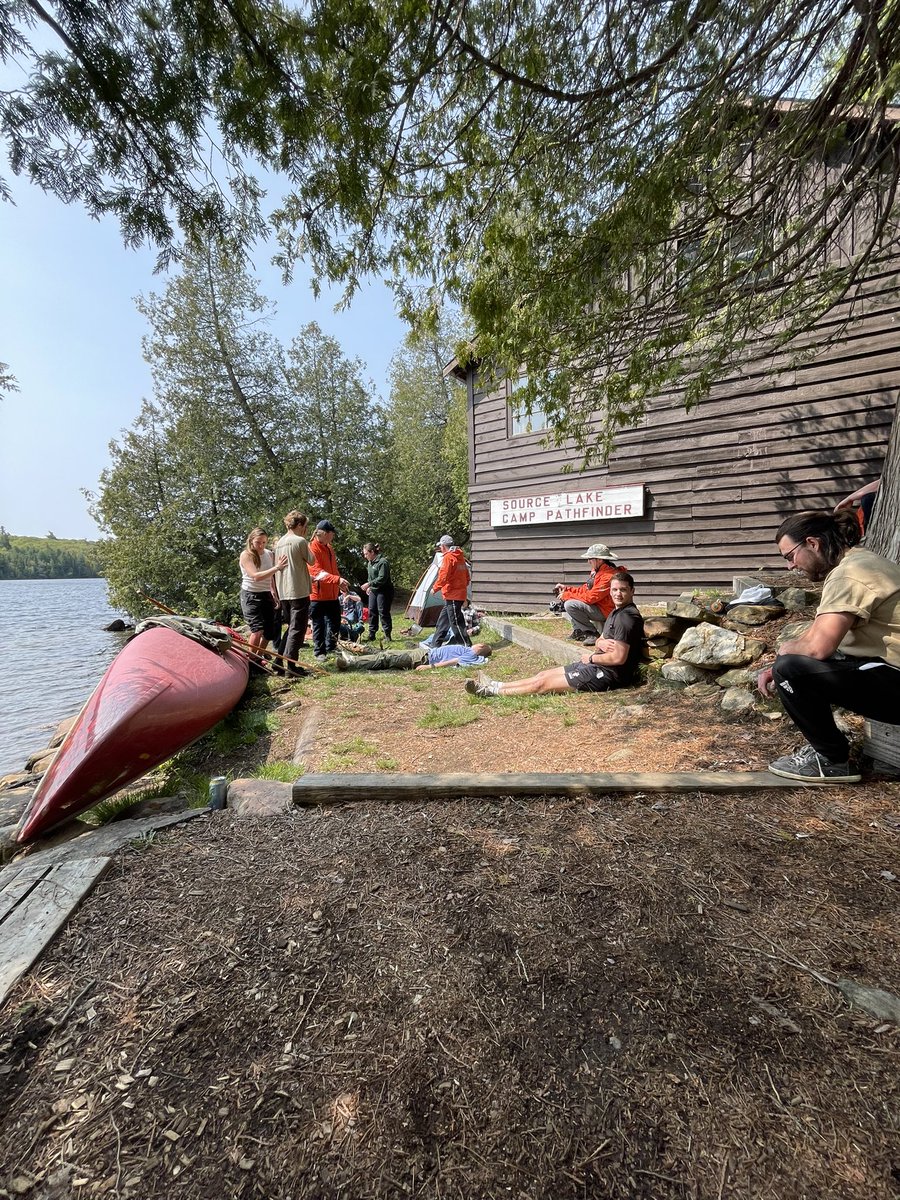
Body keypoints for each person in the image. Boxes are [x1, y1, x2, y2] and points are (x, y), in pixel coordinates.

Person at [757, 508, 900, 783]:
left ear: (813, 543)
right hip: (889, 670)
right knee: (791, 666)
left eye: (790, 556)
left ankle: (831, 760)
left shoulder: (849, 574)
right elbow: (817, 639)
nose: (791, 566)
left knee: (790, 669)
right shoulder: (862, 563)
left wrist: (780, 660)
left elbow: (816, 649)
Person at [466, 572, 644, 697]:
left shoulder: (627, 617)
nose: (618, 594)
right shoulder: (615, 612)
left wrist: (591, 659)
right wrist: (600, 644)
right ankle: (497, 684)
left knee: (541, 685)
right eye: (614, 590)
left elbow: (618, 658)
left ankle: (490, 692)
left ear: (632, 591)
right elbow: (600, 640)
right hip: (597, 665)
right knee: (542, 675)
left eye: (623, 590)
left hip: (608, 675)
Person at [555, 542, 624, 643]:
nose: (588, 561)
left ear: (599, 560)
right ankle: (579, 631)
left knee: (570, 604)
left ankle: (591, 633)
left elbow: (591, 598)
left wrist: (566, 595)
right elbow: (586, 589)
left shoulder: (608, 576)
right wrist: (567, 589)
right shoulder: (598, 572)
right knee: (568, 600)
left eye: (590, 559)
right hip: (600, 606)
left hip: (607, 611)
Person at [275, 510, 315, 673]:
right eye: (305, 526)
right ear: (299, 525)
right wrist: (307, 542)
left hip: (283, 591)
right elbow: (312, 560)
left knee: (291, 627)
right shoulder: (299, 541)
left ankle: (278, 662)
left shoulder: (279, 542)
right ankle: (291, 666)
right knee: (298, 629)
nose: (306, 529)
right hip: (298, 589)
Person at [239, 527, 287, 659]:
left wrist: (273, 592)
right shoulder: (246, 555)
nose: (261, 545)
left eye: (264, 542)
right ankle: (251, 660)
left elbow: (270, 576)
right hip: (250, 594)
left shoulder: (269, 554)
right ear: (251, 541)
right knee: (257, 629)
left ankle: (258, 658)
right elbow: (255, 576)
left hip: (266, 593)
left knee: (269, 631)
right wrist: (277, 567)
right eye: (258, 542)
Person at [308, 520, 351, 663]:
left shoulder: (329, 548)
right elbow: (317, 572)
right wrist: (337, 580)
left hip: (332, 594)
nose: (333, 536)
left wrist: (339, 584)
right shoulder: (312, 548)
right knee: (319, 624)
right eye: (332, 533)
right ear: (326, 534)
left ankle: (331, 646)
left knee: (335, 622)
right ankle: (319, 652)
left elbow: (334, 570)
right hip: (317, 595)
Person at [336, 642, 493, 672]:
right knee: (386, 654)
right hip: (425, 653)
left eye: (478, 644)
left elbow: (456, 661)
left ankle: (351, 662)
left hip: (425, 658)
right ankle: (354, 654)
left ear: (480, 647)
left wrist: (431, 666)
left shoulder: (473, 653)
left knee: (387, 658)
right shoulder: (468, 651)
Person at [431, 535, 471, 647]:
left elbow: (443, 576)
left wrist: (435, 588)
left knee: (456, 622)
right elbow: (467, 576)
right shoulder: (460, 556)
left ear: (443, 546)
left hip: (453, 595)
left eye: (441, 546)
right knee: (443, 620)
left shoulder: (448, 558)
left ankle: (465, 645)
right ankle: (435, 644)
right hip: (456, 594)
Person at [361, 542, 394, 641]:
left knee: (383, 612)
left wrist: (369, 584)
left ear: (372, 552)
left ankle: (387, 634)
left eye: (366, 554)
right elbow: (370, 577)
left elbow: (382, 578)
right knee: (372, 611)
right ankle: (372, 634)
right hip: (374, 591)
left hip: (384, 591)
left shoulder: (382, 562)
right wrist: (369, 588)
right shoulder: (369, 563)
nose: (365, 556)